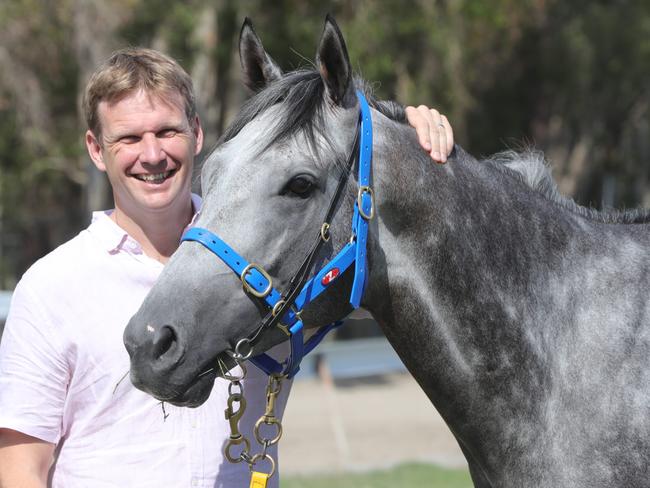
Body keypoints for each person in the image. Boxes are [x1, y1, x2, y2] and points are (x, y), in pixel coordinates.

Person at [0, 47, 454, 487]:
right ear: (97, 150)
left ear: (197, 133)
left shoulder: (269, 251)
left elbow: (383, 258)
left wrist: (403, 132)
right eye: (130, 138)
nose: (153, 154)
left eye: (167, 131)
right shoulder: (51, 287)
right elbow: (19, 470)